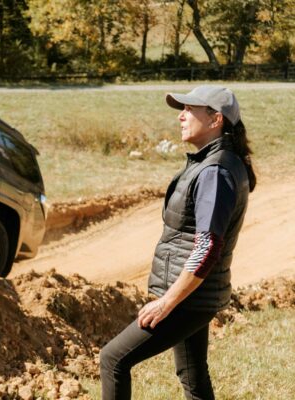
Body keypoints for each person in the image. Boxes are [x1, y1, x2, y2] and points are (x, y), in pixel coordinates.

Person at [99, 85, 256, 400]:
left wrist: (167, 302)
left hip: (189, 299)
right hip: (195, 296)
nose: (181, 117)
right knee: (192, 374)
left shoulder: (215, 171)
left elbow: (207, 245)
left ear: (216, 120)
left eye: (190, 110)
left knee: (113, 359)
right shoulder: (216, 162)